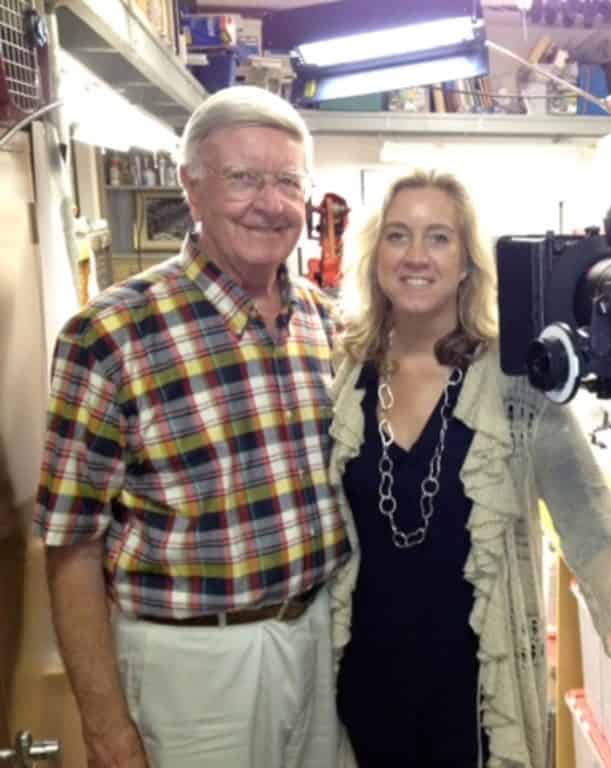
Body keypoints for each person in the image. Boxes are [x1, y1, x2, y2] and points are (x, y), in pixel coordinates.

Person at [327, 169, 611, 766]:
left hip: (478, 703)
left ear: (466, 263)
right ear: (375, 255)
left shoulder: (517, 385)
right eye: (398, 236)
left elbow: (596, 531)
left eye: (439, 237)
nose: (416, 256)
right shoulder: (343, 375)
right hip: (359, 695)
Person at [34, 86, 349, 768]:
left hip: (321, 639)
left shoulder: (331, 325)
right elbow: (71, 548)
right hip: (192, 668)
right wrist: (108, 729)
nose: (269, 203)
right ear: (193, 188)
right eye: (242, 179)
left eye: (287, 182)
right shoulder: (111, 334)